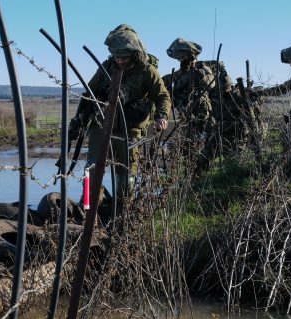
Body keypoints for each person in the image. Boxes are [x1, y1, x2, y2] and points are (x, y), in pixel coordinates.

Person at [73, 24, 171, 199]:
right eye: (116, 56)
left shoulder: (147, 71)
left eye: (123, 57)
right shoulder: (106, 67)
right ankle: (88, 210)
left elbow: (163, 96)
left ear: (134, 54)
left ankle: (122, 215)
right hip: (101, 125)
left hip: (130, 130)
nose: (119, 60)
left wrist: (161, 116)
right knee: (90, 172)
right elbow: (90, 92)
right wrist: (80, 116)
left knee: (125, 176)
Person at [163, 38, 216, 142]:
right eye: (179, 58)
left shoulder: (202, 68)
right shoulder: (177, 74)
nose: (181, 60)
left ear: (190, 55)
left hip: (201, 112)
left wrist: (199, 74)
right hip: (185, 113)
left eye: (183, 57)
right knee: (187, 142)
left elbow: (211, 84)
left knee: (202, 142)